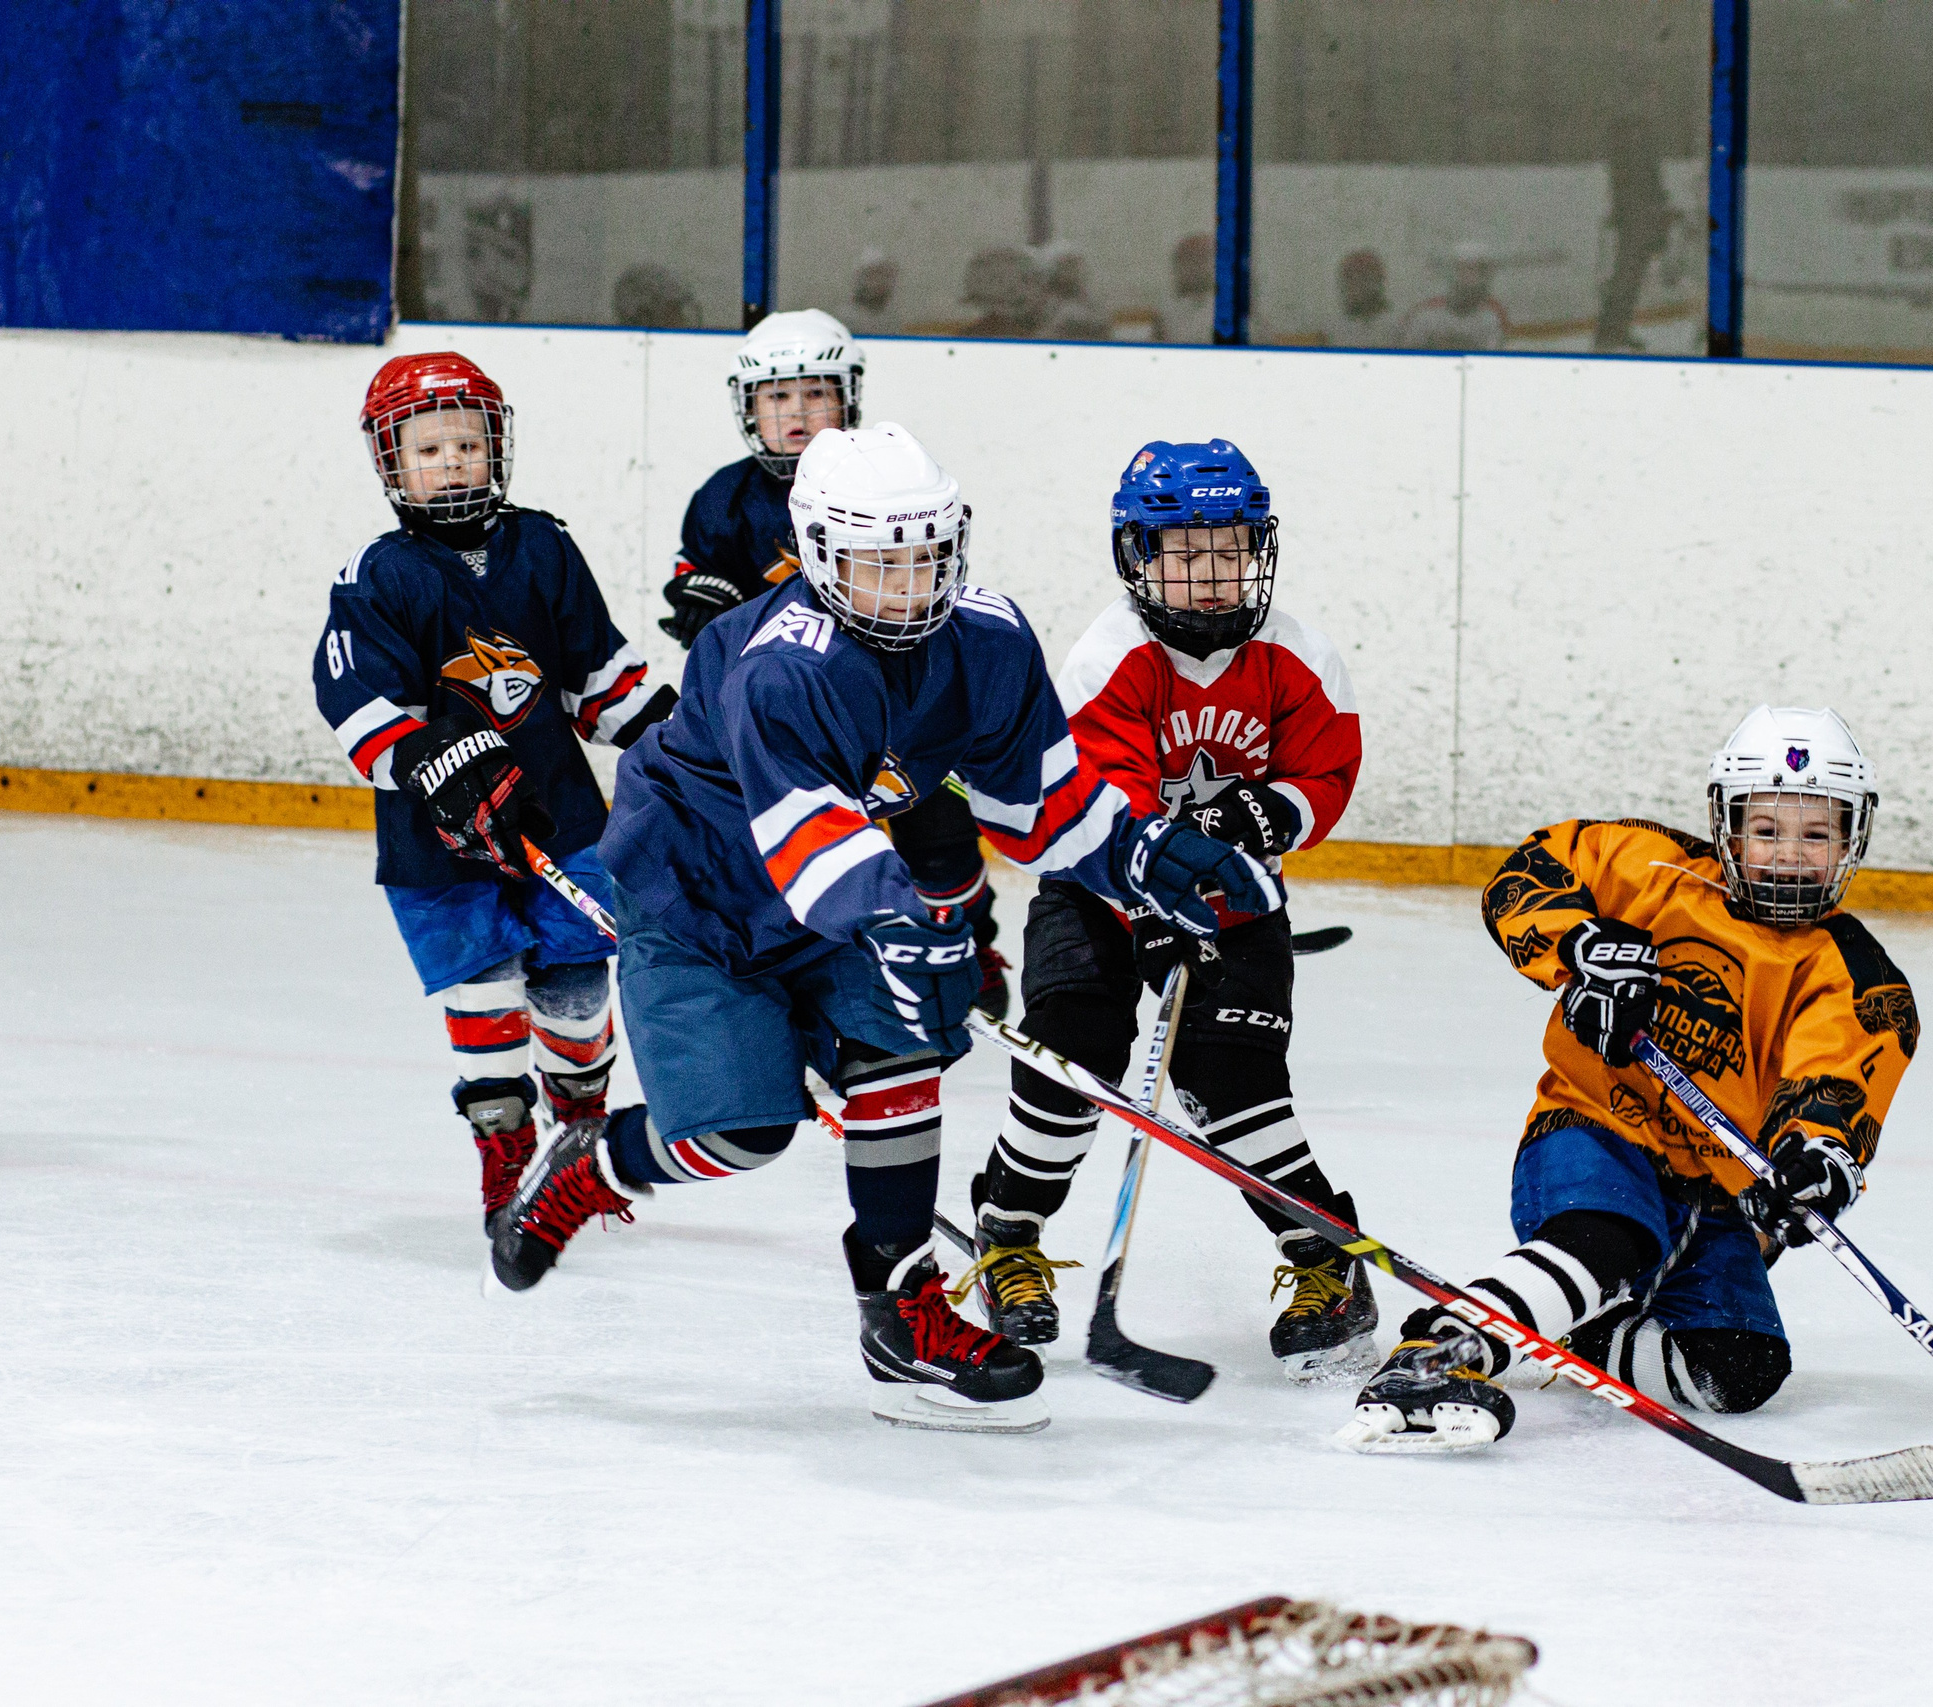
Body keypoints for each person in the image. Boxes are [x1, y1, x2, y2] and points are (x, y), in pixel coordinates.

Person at [486, 424, 1282, 1435]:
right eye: (876, 564)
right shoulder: (780, 663)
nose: (905, 588)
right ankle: (590, 1168)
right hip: (703, 900)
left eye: (923, 559)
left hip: (855, 889)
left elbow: (1044, 804)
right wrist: (908, 921)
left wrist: (1149, 858)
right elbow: (808, 840)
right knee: (742, 1132)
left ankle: (901, 1311)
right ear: (819, 555)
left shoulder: (989, 638)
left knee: (900, 1048)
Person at [1343, 707, 1919, 1449]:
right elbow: (1527, 873)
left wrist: (1813, 1163)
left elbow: (1834, 1089)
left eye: (1816, 834)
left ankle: (1569, 1334)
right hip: (1598, 1125)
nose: (1788, 855)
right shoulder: (1648, 869)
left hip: (1714, 1197)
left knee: (1740, 1369)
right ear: (1728, 825)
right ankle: (1442, 1350)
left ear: (1850, 839)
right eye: (1767, 829)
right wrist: (1581, 946)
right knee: (1608, 1235)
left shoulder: (1857, 980)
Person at [964, 440, 1374, 1384]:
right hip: (1100, 886)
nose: (1209, 573)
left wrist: (1269, 813)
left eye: (1228, 549)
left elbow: (1325, 773)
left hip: (1234, 891)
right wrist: (1148, 900)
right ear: (1137, 557)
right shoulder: (1108, 657)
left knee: (1228, 1074)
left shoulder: (1298, 655)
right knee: (1074, 1052)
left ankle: (1328, 1260)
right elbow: (1096, 801)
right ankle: (1010, 1231)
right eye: (1183, 552)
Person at [313, 352, 676, 1234]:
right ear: (390, 460)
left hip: (560, 817)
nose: (451, 461)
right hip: (438, 842)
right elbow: (354, 701)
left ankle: (580, 1128)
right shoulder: (379, 574)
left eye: (467, 443)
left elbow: (598, 681)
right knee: (483, 989)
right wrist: (438, 766)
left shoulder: (544, 546)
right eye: (427, 446)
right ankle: (505, 1143)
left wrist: (687, 746)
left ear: (497, 447)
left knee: (579, 988)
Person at [660, 310, 1010, 1016]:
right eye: (778, 397)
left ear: (848, 395)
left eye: (815, 392)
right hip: (793, 718)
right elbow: (700, 594)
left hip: (895, 708)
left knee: (940, 832)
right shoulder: (721, 501)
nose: (797, 412)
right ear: (747, 407)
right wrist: (706, 606)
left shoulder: (887, 483)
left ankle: (969, 940)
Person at [1396, 242, 1509, 351]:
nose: (1469, 277)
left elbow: (1492, 360)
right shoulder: (1426, 316)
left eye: (1478, 270)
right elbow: (1407, 357)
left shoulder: (1491, 320)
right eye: (1463, 268)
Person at [1327, 249, 1393, 347]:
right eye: (1348, 278)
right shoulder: (1331, 331)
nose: (1352, 286)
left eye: (1362, 278)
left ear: (1378, 281)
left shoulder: (1400, 326)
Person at [843, 247, 900, 337]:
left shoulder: (892, 317)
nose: (879, 281)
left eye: (884, 275)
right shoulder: (848, 317)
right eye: (873, 275)